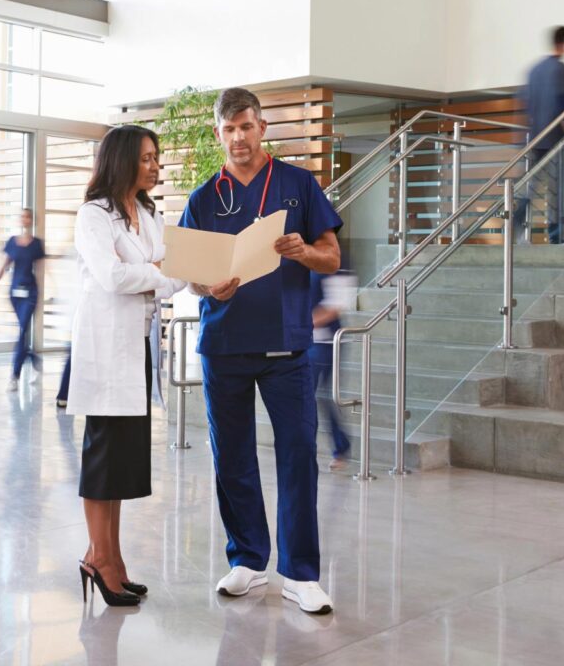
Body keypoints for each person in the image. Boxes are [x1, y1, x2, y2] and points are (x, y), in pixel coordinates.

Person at [179, 87, 342, 615]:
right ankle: (247, 560)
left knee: (298, 457)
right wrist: (209, 287)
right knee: (232, 458)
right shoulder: (205, 196)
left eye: (246, 127)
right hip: (224, 344)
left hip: (286, 346)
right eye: (228, 130)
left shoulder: (297, 185)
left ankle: (300, 574)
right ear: (217, 134)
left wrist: (305, 250)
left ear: (262, 127)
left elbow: (332, 257)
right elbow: (190, 274)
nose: (238, 138)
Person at [67, 124, 184, 607]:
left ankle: (109, 558)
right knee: (102, 456)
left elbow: (172, 274)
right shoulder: (93, 215)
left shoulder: (148, 214)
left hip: (137, 349)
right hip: (105, 350)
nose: (155, 165)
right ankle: (100, 558)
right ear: (121, 160)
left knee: (121, 462)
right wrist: (157, 275)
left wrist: (157, 277)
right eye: (146, 158)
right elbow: (113, 277)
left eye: (156, 157)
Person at [515, 25, 564, 244]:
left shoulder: (534, 69)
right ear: (563, 44)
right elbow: (561, 102)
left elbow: (525, 102)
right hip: (554, 138)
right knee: (556, 190)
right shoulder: (559, 68)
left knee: (531, 187)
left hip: (534, 137)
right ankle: (557, 237)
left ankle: (517, 225)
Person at [0, 208, 45, 391]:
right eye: (22, 216)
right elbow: (5, 264)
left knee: (22, 332)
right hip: (15, 293)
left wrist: (50, 289)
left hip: (30, 293)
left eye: (28, 216)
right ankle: (35, 361)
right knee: (22, 332)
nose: (25, 220)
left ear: (32, 221)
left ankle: (14, 375)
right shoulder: (12, 242)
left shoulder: (37, 244)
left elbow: (43, 269)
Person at [310, 267, 357, 471]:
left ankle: (336, 447)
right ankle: (340, 446)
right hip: (307, 341)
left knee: (315, 397)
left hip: (326, 343)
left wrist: (301, 323)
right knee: (316, 397)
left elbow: (334, 308)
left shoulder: (338, 266)